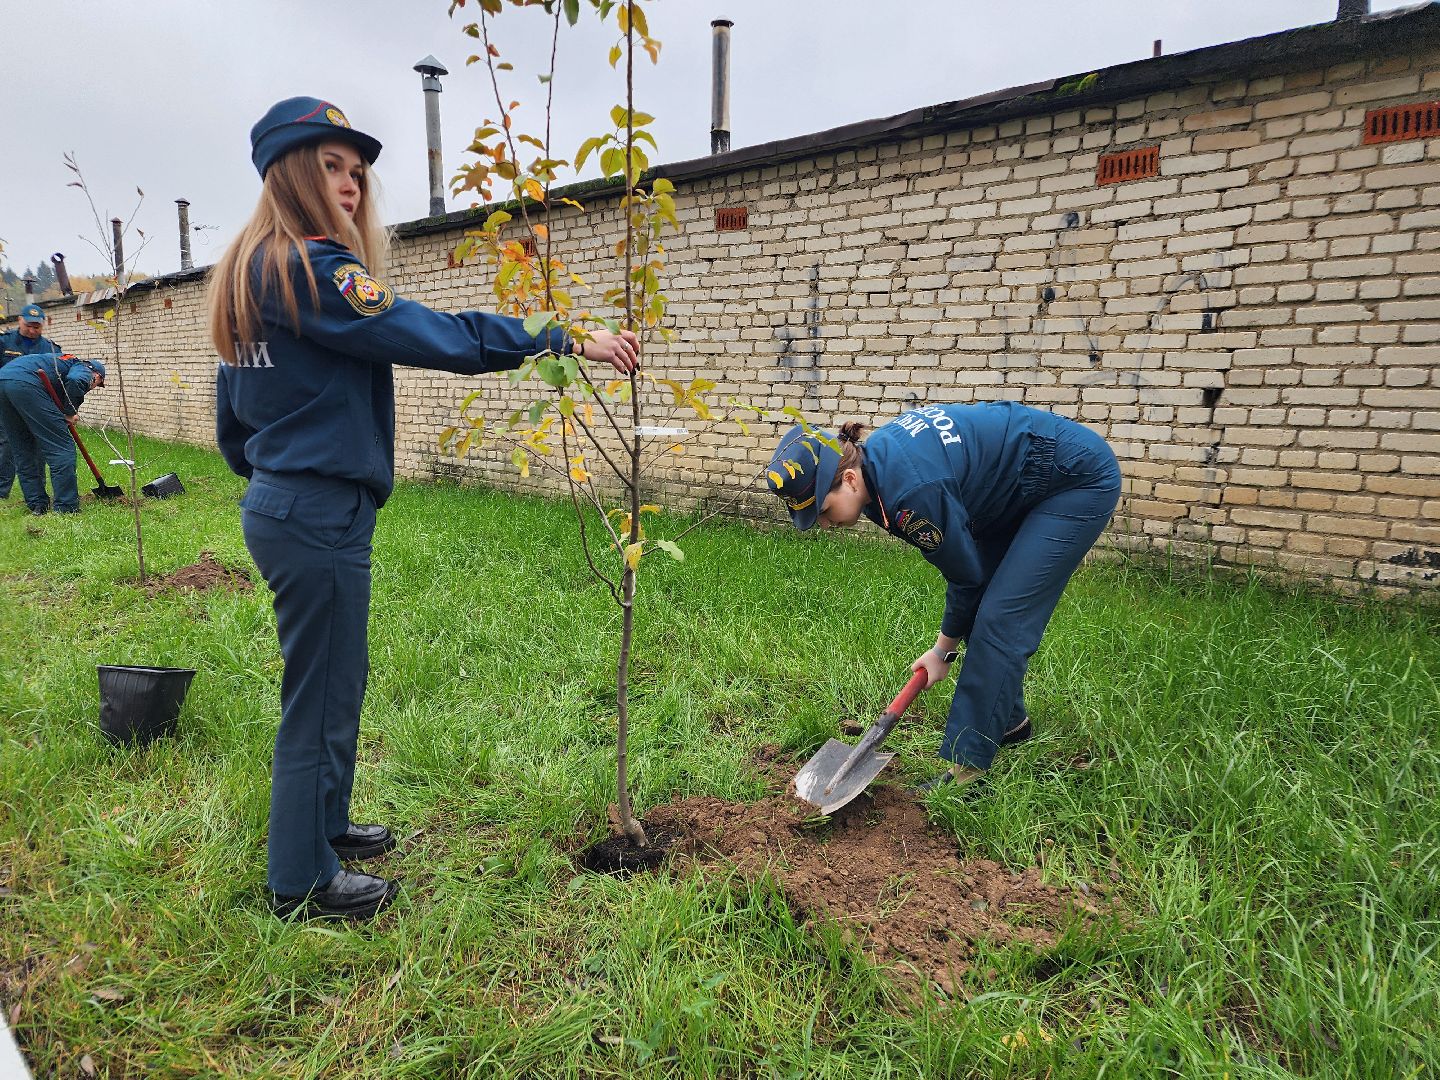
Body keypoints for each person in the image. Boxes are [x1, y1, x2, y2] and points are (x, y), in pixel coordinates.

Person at [209, 96, 639, 921]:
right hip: (318, 508)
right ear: (289, 173)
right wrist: (557, 336)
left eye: (356, 167)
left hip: (281, 501)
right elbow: (432, 334)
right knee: (323, 692)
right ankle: (299, 880)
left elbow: (233, 416)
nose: (351, 179)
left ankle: (324, 827)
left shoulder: (247, 271)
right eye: (330, 165)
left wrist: (270, 475)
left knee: (337, 677)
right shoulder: (313, 268)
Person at [767, 401, 1121, 792]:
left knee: (1000, 619)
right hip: (1012, 487)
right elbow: (968, 568)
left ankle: (967, 775)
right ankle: (1009, 723)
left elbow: (967, 579)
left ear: (849, 479)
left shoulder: (913, 493)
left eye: (823, 509)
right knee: (988, 607)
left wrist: (942, 651)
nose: (821, 523)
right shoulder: (875, 472)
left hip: (1072, 479)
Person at [0, 350, 106, 514]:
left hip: (4, 379)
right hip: (26, 382)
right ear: (97, 375)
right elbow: (76, 380)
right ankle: (66, 507)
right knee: (61, 448)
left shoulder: (59, 362)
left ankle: (37, 504)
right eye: (97, 384)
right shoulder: (83, 367)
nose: (93, 387)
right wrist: (70, 412)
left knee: (23, 448)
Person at [0, 304, 64, 502]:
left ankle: (38, 490)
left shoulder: (51, 349)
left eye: (37, 326)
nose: (32, 330)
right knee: (7, 445)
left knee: (38, 447)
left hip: (36, 406)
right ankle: (2, 491)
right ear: (20, 320)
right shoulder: (4, 342)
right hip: (7, 404)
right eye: (29, 325)